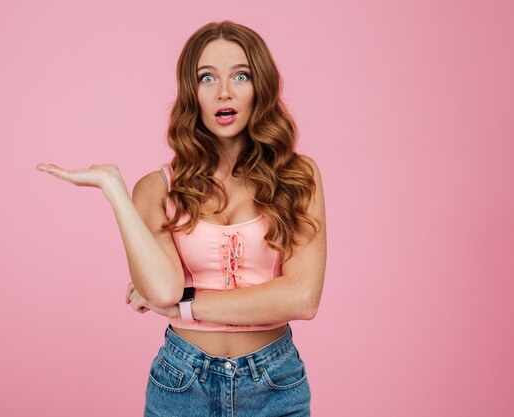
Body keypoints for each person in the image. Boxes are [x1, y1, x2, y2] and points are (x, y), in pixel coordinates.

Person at [37, 20, 326, 417]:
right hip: (183, 381)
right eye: (206, 78)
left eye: (240, 75)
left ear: (261, 85)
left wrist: (184, 307)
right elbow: (162, 289)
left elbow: (301, 297)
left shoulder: (298, 176)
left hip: (275, 382)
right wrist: (114, 189)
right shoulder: (157, 189)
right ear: (192, 93)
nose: (224, 91)